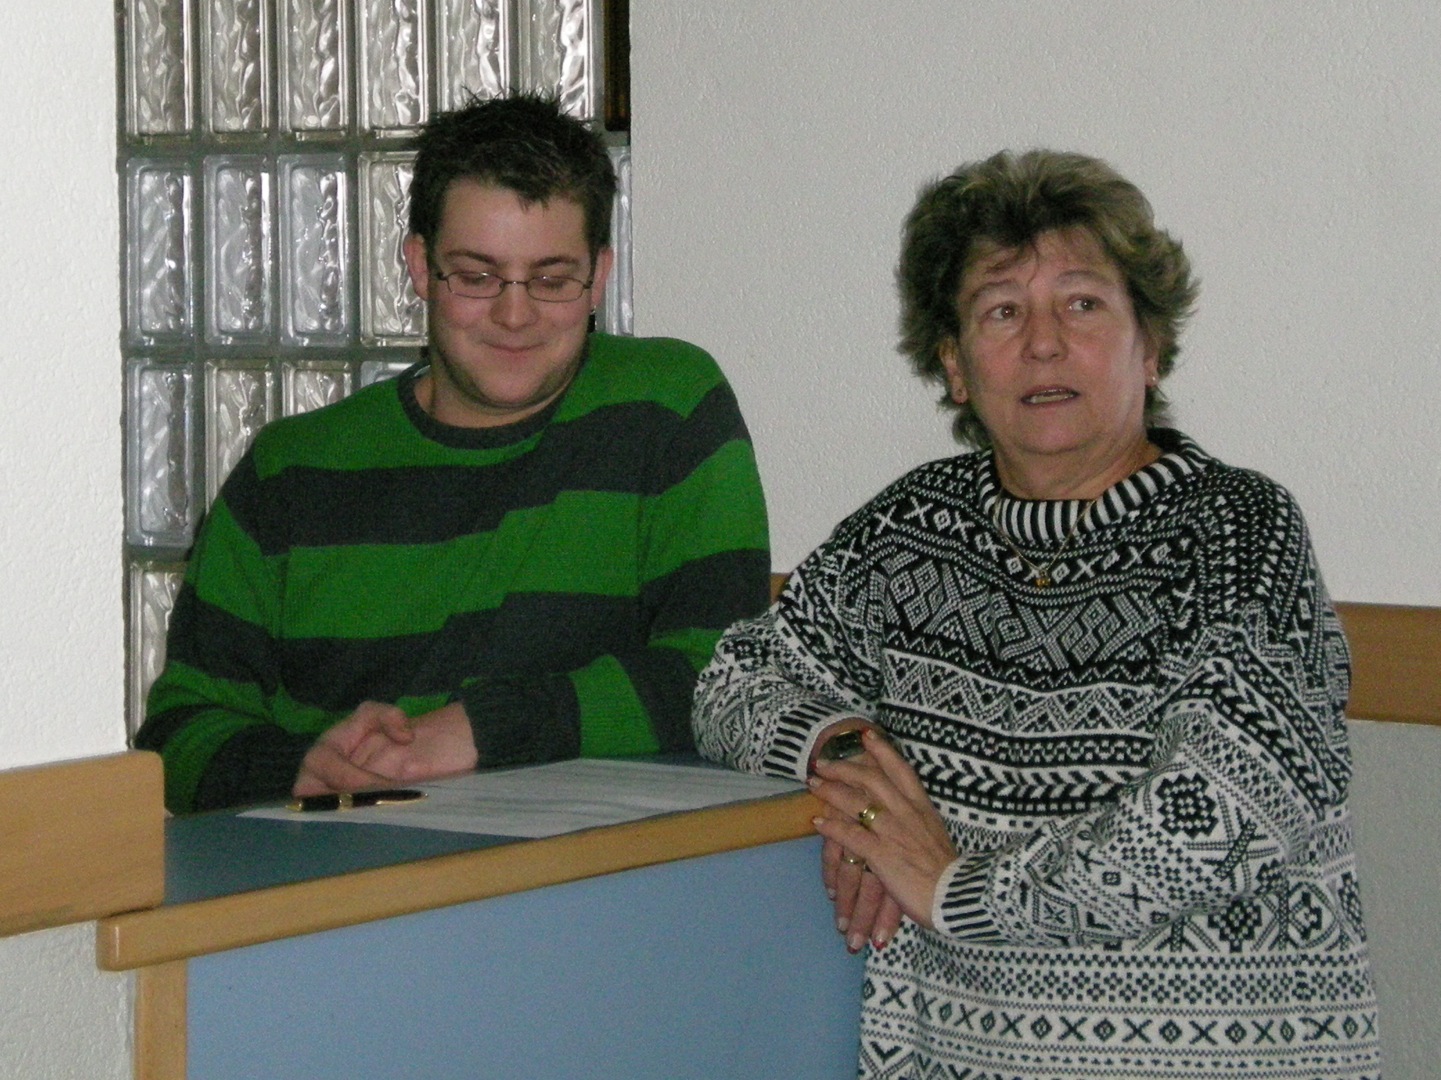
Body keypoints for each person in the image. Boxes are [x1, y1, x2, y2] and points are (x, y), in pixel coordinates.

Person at [693, 150, 1380, 1079]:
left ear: (1150, 348)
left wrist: (959, 889)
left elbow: (1233, 807)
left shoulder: (1236, 530)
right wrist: (851, 761)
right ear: (955, 366)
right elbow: (733, 681)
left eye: (1082, 303)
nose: (1044, 344)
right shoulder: (907, 532)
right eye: (1001, 312)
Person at [138, 92, 769, 814]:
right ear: (419, 266)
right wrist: (302, 766)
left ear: (599, 276)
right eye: (476, 277)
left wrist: (479, 730)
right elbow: (177, 734)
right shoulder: (291, 471)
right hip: (328, 865)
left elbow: (728, 677)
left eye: (552, 280)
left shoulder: (668, 408)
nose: (514, 313)